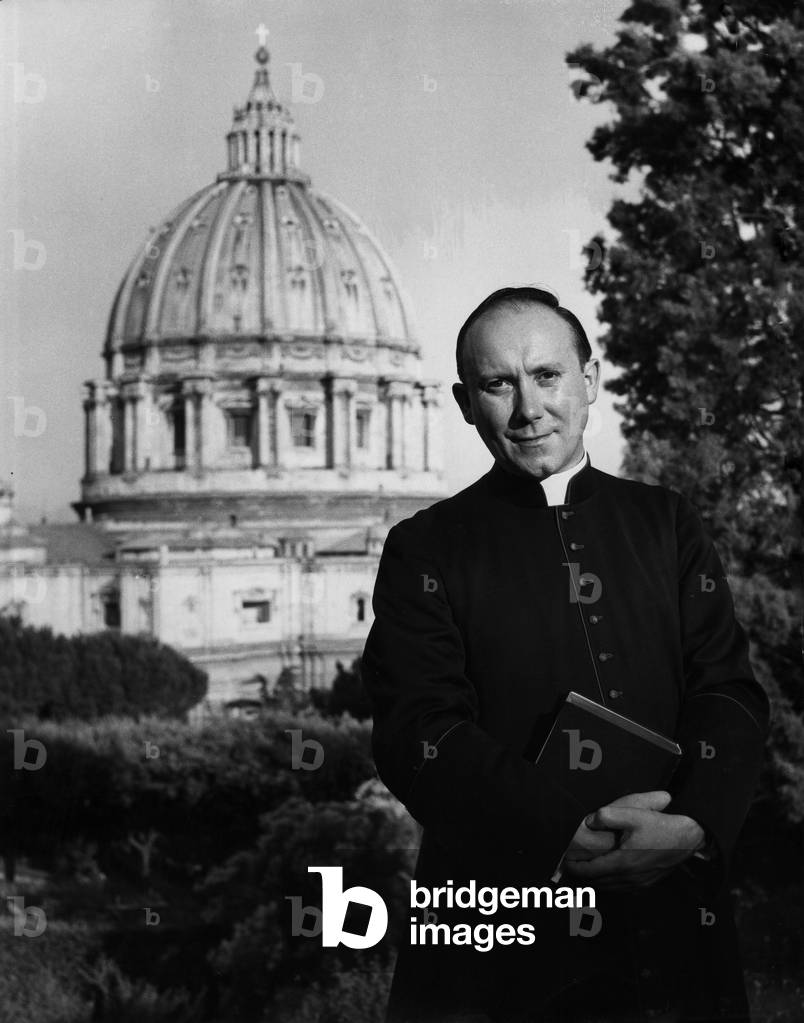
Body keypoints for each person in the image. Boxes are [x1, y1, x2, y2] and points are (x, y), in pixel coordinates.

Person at [361, 286, 769, 1023]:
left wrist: (695, 824)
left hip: (674, 910)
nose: (528, 408)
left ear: (591, 379)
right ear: (463, 402)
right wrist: (556, 833)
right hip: (500, 936)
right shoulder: (425, 547)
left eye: (547, 375)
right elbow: (415, 729)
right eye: (498, 384)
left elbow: (729, 691)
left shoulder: (666, 521)